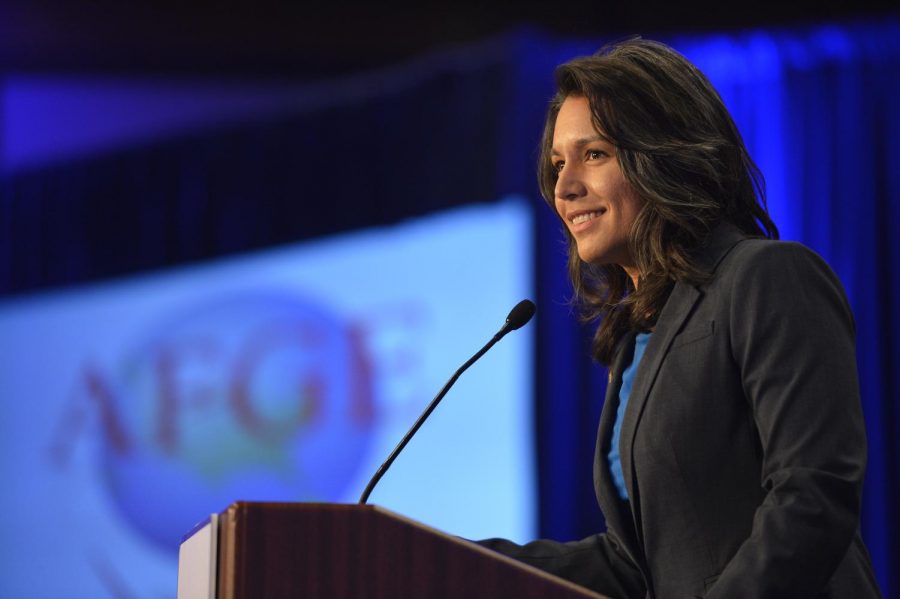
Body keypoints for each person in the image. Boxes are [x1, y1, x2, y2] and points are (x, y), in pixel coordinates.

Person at [478, 39, 882, 598]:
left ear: (661, 154)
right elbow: (633, 565)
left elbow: (813, 495)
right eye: (557, 164)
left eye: (594, 155)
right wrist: (457, 562)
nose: (565, 189)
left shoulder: (766, 277)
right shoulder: (637, 342)